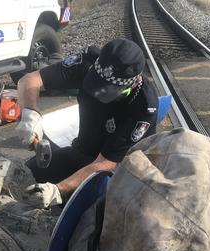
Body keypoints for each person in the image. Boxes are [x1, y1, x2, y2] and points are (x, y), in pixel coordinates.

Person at [15, 38, 159, 208]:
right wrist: (30, 114)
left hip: (118, 173)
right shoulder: (87, 63)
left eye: (107, 91)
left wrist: (58, 190)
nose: (99, 94)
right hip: (82, 149)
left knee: (85, 219)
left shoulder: (143, 106)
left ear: (132, 84)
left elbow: (106, 163)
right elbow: (30, 80)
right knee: (24, 176)